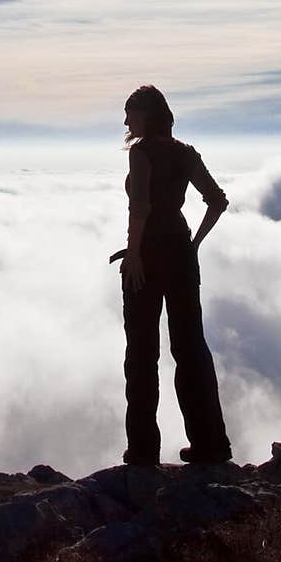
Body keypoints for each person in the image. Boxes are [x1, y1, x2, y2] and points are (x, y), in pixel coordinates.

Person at [114, 84, 231, 466]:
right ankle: (211, 445)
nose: (126, 120)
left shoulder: (142, 151)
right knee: (191, 349)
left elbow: (140, 208)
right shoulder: (186, 153)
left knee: (142, 354)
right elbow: (217, 201)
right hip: (181, 256)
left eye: (130, 112)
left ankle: (144, 450)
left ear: (147, 114)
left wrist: (133, 255)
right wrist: (194, 245)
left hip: (147, 259)